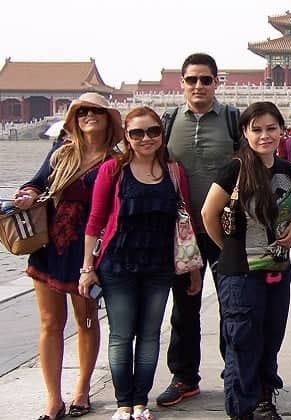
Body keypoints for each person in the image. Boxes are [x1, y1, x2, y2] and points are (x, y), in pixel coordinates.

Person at [79, 106, 199, 420]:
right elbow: (95, 221)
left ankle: (140, 402)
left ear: (162, 134)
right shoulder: (113, 170)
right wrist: (87, 268)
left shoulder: (174, 172)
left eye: (153, 131)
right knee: (121, 335)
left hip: (160, 266)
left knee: (149, 334)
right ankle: (123, 402)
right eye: (137, 133)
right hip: (118, 264)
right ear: (127, 137)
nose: (146, 139)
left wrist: (193, 269)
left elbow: (186, 221)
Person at [12, 92, 122, 420]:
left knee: (86, 319)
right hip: (50, 245)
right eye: (82, 111)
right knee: (50, 322)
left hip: (88, 250)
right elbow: (36, 183)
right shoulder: (61, 153)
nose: (89, 116)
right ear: (74, 118)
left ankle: (82, 389)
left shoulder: (116, 161)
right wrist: (27, 195)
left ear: (108, 119)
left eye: (96, 111)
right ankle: (53, 399)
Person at [200, 101, 291, 420]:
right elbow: (208, 214)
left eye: (271, 128)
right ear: (245, 132)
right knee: (243, 342)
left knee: (271, 338)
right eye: (256, 129)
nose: (264, 135)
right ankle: (241, 409)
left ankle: (264, 399)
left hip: (278, 268)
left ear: (281, 130)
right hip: (241, 273)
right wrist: (229, 249)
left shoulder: (286, 170)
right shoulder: (235, 169)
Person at [157, 52, 241, 407]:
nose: (198, 86)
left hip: (225, 229)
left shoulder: (233, 119)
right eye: (191, 79)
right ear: (182, 83)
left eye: (206, 79)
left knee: (233, 306)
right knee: (184, 308)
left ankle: (235, 374)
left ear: (216, 82)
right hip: (183, 232)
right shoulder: (168, 121)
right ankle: (184, 377)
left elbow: (249, 166)